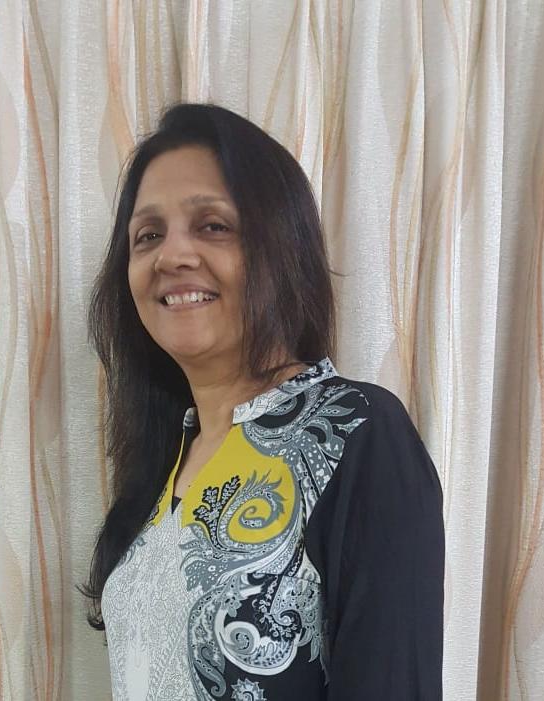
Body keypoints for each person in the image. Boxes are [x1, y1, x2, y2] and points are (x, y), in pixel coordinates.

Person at [83, 102, 444, 700]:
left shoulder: (354, 434)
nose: (172, 256)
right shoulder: (163, 462)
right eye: (148, 236)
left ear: (282, 244)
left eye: (212, 226)